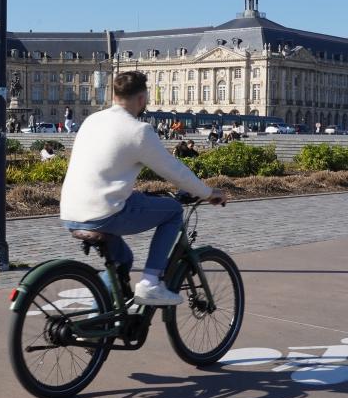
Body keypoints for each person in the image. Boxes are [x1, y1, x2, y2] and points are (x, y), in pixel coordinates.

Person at [61, 71, 226, 306]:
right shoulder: (139, 131)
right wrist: (209, 193)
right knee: (172, 211)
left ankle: (98, 324)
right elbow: (174, 171)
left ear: (114, 95)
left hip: (70, 211)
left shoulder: (92, 120)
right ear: (141, 99)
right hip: (103, 214)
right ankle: (150, 282)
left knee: (122, 260)